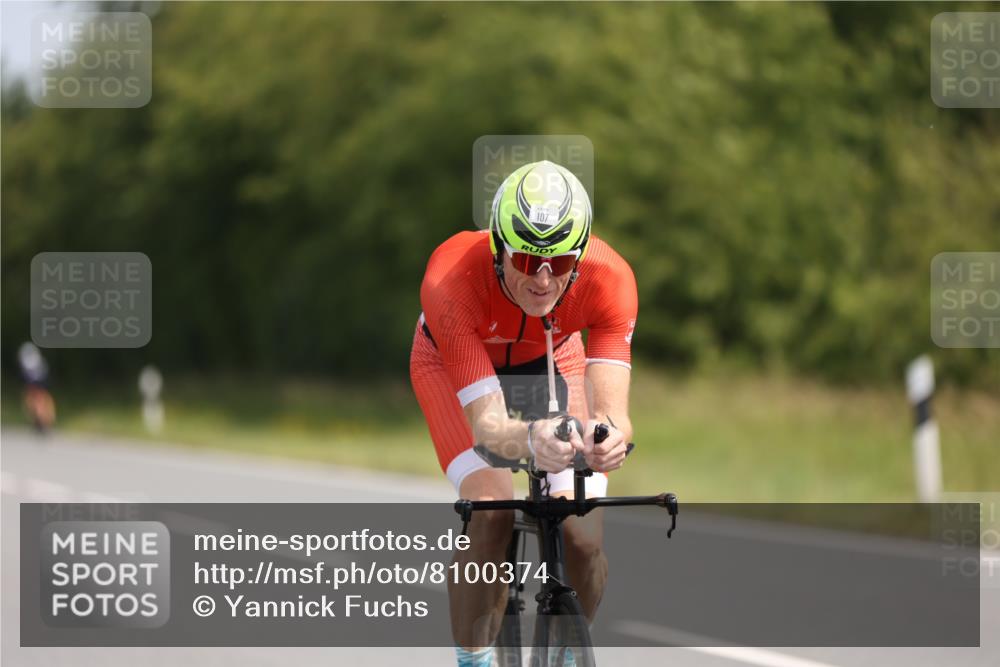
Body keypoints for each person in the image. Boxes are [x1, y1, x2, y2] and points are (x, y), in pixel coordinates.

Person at [410, 160, 638, 666]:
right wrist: (532, 440)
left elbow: (613, 415)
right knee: (492, 509)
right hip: (452, 365)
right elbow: (489, 429)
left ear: (578, 259)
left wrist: (606, 440)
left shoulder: (610, 279)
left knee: (581, 527)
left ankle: (565, 648)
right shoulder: (450, 278)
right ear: (497, 247)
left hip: (552, 358)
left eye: (558, 264)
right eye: (526, 259)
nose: (541, 278)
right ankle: (475, 658)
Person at [18, 342, 55, 433]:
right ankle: (41, 420)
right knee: (36, 398)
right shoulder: (34, 360)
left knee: (36, 398)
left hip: (38, 377)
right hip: (39, 377)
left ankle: (43, 420)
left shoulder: (30, 360)